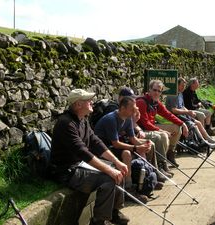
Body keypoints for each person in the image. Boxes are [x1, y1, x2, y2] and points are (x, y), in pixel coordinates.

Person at [50, 89, 129, 225]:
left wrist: (117, 162)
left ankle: (114, 212)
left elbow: (96, 142)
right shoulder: (66, 123)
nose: (92, 102)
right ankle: (98, 221)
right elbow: (82, 152)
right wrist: (109, 170)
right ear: (78, 104)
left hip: (80, 165)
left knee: (118, 171)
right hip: (67, 170)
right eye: (88, 100)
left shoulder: (83, 120)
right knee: (108, 179)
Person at [94, 96, 162, 203]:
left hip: (113, 146)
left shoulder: (128, 118)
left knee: (150, 144)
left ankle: (152, 174)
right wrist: (136, 148)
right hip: (103, 148)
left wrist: (145, 144)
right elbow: (115, 144)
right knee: (126, 154)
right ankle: (128, 188)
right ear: (123, 108)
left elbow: (133, 138)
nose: (134, 111)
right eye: (132, 109)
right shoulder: (111, 119)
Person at [136, 79, 189, 167]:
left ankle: (170, 153)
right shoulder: (142, 102)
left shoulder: (156, 102)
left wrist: (182, 124)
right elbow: (145, 123)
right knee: (163, 135)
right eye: (154, 90)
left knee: (176, 127)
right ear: (149, 90)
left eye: (159, 91)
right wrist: (161, 130)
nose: (157, 93)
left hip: (152, 126)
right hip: (142, 129)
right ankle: (161, 163)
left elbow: (168, 114)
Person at [166, 77, 215, 148]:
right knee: (194, 125)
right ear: (177, 85)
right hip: (175, 116)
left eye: (184, 85)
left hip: (182, 114)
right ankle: (204, 142)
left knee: (198, 123)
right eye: (182, 85)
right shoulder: (173, 95)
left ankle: (208, 139)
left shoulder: (180, 93)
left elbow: (183, 106)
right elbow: (174, 110)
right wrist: (188, 112)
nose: (183, 87)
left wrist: (188, 112)